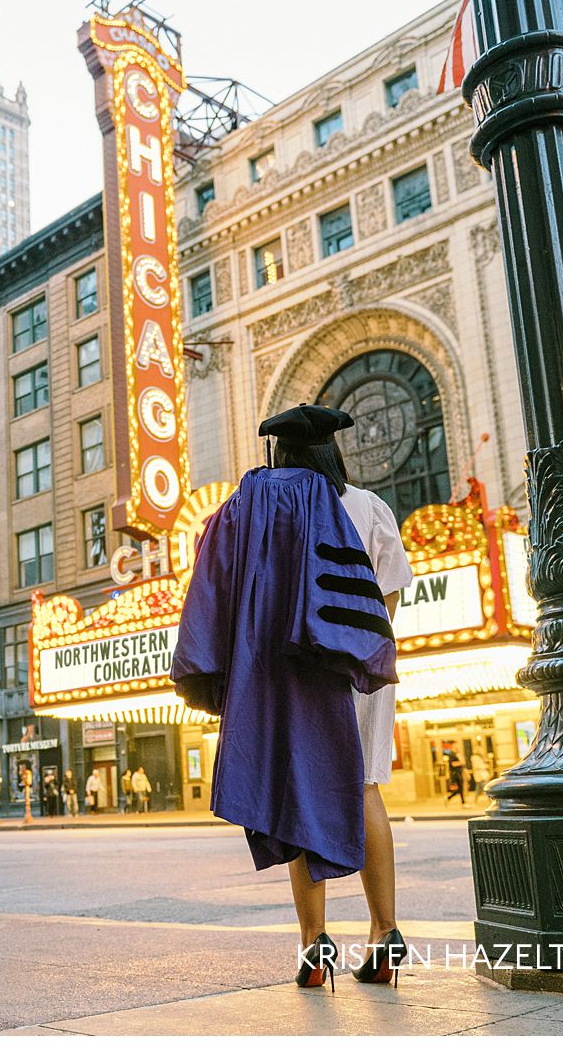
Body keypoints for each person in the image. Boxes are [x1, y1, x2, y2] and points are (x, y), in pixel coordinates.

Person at [172, 403, 406, 990]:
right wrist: (352, 650)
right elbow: (388, 602)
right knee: (365, 786)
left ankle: (314, 945)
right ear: (333, 450)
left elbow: (219, 587)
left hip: (282, 674)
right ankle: (385, 931)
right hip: (356, 671)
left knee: (299, 795)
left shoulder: (250, 507)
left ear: (281, 452)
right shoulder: (368, 506)